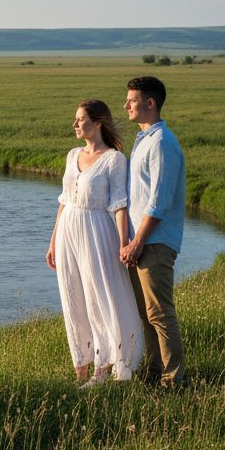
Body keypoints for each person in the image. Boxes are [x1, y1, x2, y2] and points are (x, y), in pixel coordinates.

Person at [47, 99, 143, 387]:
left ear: (98, 122)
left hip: (97, 231)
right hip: (68, 232)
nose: (75, 124)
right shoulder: (72, 154)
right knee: (73, 297)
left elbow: (119, 204)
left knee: (99, 297)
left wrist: (124, 242)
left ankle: (104, 367)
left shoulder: (114, 159)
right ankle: (81, 366)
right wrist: (53, 242)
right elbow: (64, 201)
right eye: (75, 119)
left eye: (81, 119)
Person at [121, 76, 187, 387]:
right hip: (142, 241)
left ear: (150, 103)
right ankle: (152, 374)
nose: (126, 105)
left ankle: (173, 381)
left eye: (131, 100)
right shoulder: (144, 139)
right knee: (144, 315)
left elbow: (159, 202)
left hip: (154, 242)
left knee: (160, 314)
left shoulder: (162, 143)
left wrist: (137, 241)